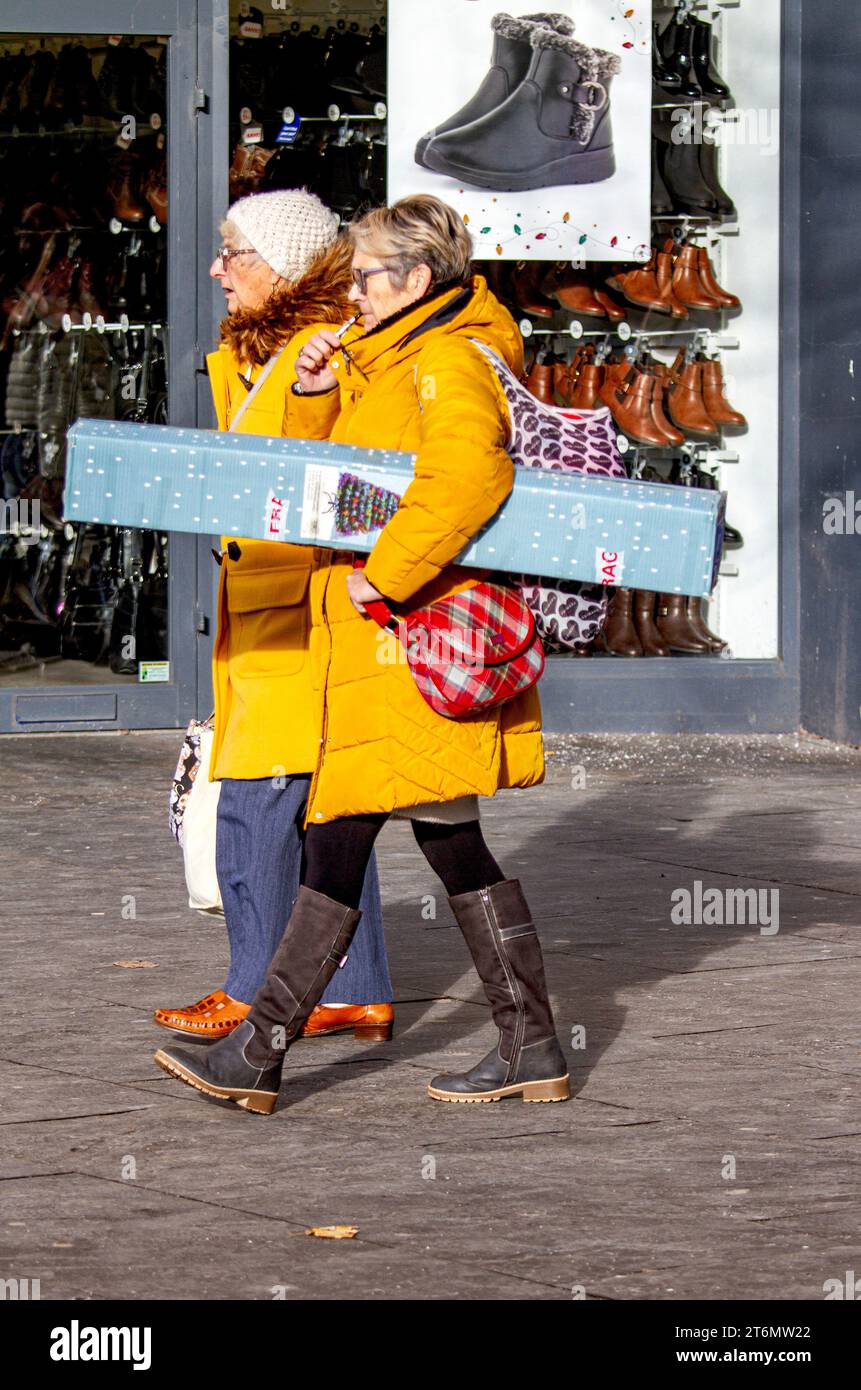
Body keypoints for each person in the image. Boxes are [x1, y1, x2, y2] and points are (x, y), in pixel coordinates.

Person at [155, 194, 569, 1114]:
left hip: (410, 645)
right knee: (434, 844)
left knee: (350, 841)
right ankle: (528, 1045)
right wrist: (310, 393)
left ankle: (260, 1053)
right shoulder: (381, 361)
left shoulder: (448, 359)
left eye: (368, 275)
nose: (353, 289)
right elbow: (321, 483)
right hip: (386, 654)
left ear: (416, 280)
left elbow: (468, 476)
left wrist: (380, 577)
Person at [153, 190, 394, 1044]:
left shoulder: (323, 350)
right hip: (278, 613)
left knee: (253, 809)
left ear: (284, 265)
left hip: (303, 615)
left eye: (234, 253)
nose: (218, 268)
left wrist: (323, 380)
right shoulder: (257, 352)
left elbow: (353, 476)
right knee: (328, 807)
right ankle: (354, 988)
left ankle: (256, 987)